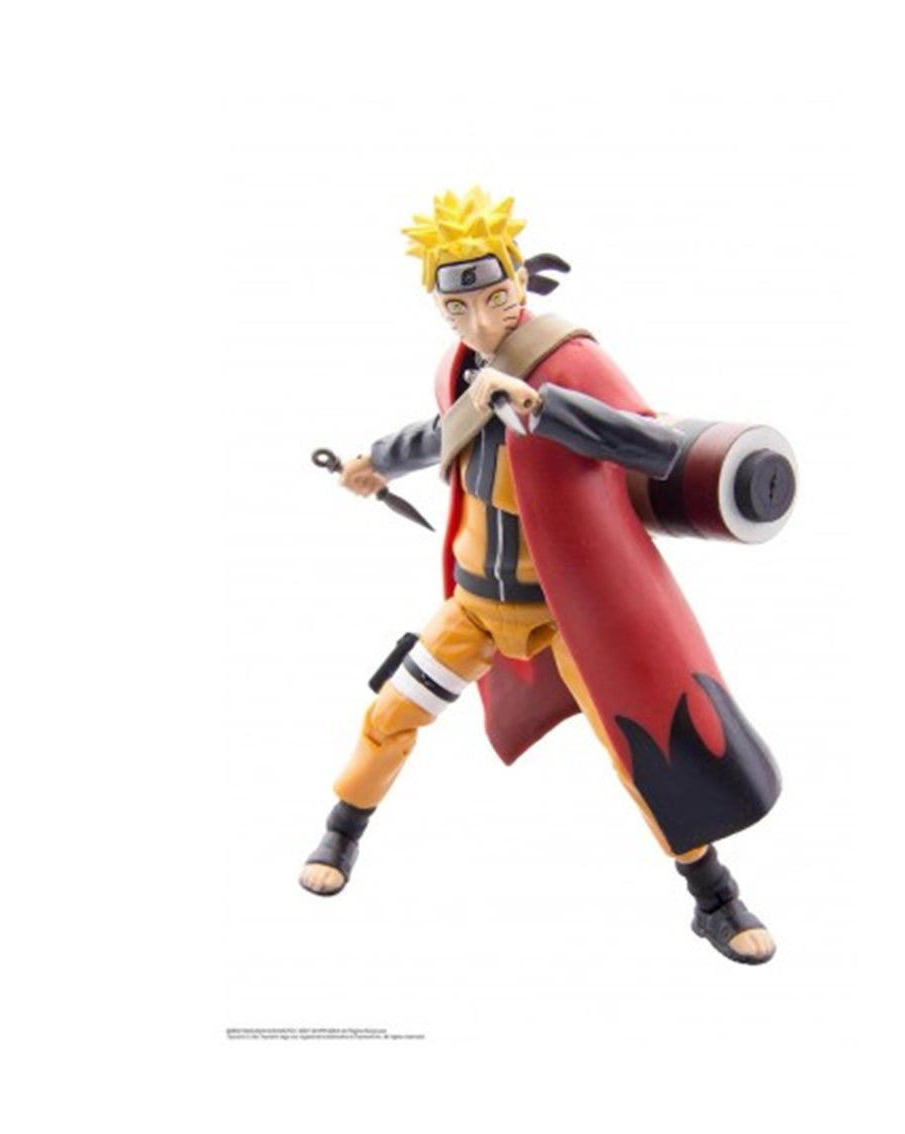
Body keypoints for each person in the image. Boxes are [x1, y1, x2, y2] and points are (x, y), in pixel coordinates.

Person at [299, 187, 782, 965]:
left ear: (519, 280)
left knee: (642, 754)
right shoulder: (462, 364)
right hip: (473, 608)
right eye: (457, 310)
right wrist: (376, 461)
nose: (479, 323)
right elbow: (445, 432)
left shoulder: (571, 359)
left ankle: (714, 895)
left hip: (569, 619)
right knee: (391, 715)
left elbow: (657, 446)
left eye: (493, 300)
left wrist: (544, 408)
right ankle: (341, 830)